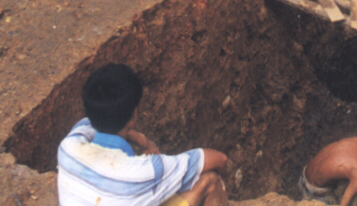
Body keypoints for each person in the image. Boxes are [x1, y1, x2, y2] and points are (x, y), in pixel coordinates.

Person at [57, 63, 230, 206]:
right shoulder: (145, 171)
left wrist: (138, 138)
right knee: (210, 180)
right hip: (141, 175)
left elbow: (90, 122)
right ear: (134, 115)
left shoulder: (67, 148)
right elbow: (220, 159)